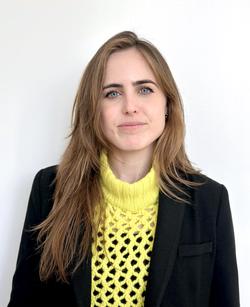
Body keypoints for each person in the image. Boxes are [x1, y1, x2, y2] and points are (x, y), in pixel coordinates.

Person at [8, 31, 240, 307]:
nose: (130, 107)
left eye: (145, 89)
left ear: (167, 104)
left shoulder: (209, 200)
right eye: (112, 93)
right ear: (93, 109)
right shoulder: (49, 189)